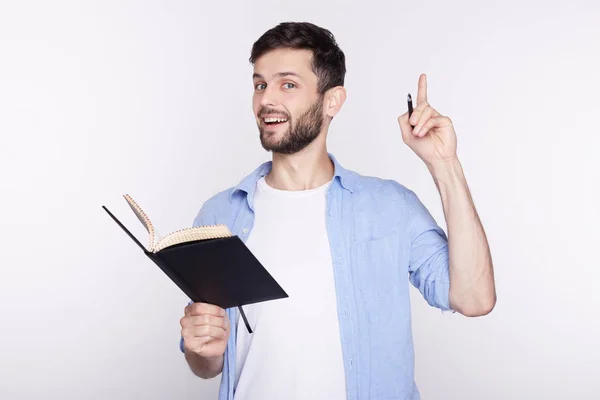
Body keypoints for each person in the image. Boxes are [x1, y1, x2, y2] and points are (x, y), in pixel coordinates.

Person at [179, 21, 496, 400]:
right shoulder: (218, 217)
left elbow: (475, 298)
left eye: (288, 84)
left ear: (333, 100)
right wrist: (203, 351)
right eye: (260, 84)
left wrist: (444, 164)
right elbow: (207, 364)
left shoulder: (390, 207)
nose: (266, 100)